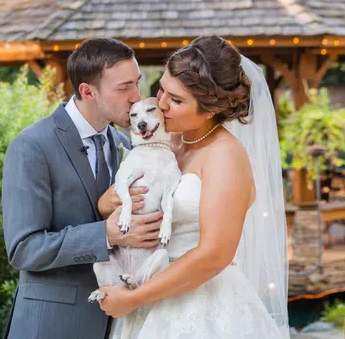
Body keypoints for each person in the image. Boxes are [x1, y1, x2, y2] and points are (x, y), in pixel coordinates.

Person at [98, 35, 290, 338]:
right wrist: (107, 204)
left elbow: (215, 253)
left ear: (210, 109)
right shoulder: (165, 140)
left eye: (176, 100)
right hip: (145, 286)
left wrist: (136, 298)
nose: (161, 104)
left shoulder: (225, 155)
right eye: (162, 89)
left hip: (201, 306)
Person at [1, 38, 163, 339]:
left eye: (137, 83)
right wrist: (106, 235)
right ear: (88, 91)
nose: (136, 97)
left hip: (118, 325)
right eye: (124, 88)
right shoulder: (31, 146)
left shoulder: (127, 146)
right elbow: (24, 249)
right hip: (50, 327)